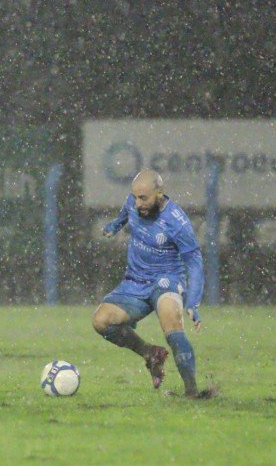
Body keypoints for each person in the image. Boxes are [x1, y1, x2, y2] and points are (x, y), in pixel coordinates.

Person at [92, 169, 212, 399]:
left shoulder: (177, 222)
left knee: (171, 322)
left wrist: (193, 301)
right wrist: (114, 226)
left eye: (143, 198)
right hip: (135, 282)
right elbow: (125, 213)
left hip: (166, 281)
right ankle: (150, 353)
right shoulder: (134, 202)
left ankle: (192, 392)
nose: (137, 203)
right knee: (101, 321)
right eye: (135, 197)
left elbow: (194, 262)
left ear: (160, 193)